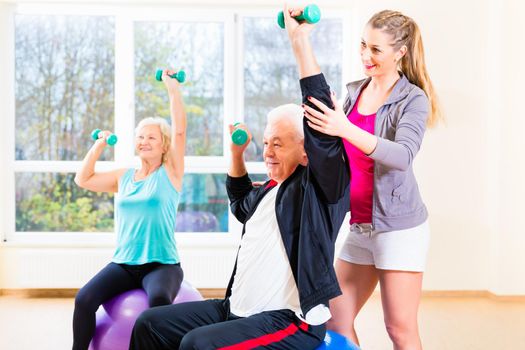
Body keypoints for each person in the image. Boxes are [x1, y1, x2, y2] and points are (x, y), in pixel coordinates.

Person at [128, 33, 350, 350]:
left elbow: (322, 132)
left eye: (279, 144)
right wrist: (236, 154)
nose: (268, 152)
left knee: (197, 344)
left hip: (288, 319)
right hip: (235, 310)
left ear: (306, 153)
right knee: (149, 323)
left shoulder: (318, 191)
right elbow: (240, 204)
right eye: (266, 143)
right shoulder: (271, 189)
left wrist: (299, 41)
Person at [286, 6, 442, 350]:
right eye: (362, 45)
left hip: (399, 229)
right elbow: (342, 152)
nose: (365, 56)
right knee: (337, 320)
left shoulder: (412, 99)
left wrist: (345, 128)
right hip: (360, 226)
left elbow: (402, 155)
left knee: (399, 329)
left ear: (400, 52)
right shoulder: (354, 92)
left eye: (375, 49)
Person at [72, 69, 187, 350]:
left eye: (151, 137)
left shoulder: (170, 172)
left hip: (162, 264)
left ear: (164, 146)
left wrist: (171, 87)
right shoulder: (124, 177)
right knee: (84, 299)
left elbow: (180, 127)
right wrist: (99, 145)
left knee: (158, 303)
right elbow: (83, 179)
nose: (144, 141)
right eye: (140, 137)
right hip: (124, 263)